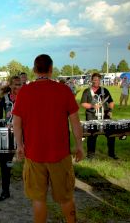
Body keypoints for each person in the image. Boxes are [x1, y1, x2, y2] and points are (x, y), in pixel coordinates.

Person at [13, 54, 84, 223]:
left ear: (34, 70)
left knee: (38, 199)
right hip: (60, 154)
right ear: (51, 69)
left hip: (34, 154)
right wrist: (79, 145)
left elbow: (17, 123)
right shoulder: (63, 90)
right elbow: (75, 122)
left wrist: (19, 146)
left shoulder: (25, 91)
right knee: (66, 198)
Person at [0, 75, 22, 201]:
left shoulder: (25, 97)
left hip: (23, 132)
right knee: (4, 163)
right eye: (15, 84)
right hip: (8, 133)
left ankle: (37, 189)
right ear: (10, 86)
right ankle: (5, 190)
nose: (17, 86)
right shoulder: (5, 98)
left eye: (19, 84)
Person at [81, 73, 117, 159]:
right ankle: (90, 155)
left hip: (105, 116)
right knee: (92, 135)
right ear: (91, 80)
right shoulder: (87, 91)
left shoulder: (105, 90)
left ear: (100, 80)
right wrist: (92, 106)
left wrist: (110, 111)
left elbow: (111, 102)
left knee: (111, 134)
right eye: (94, 79)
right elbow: (83, 103)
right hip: (91, 116)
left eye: (98, 80)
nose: (96, 81)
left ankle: (111, 154)